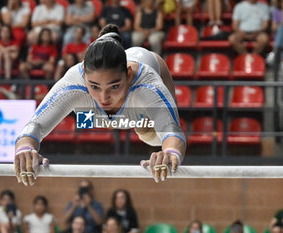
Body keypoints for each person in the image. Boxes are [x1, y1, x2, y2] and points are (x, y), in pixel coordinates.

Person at [13, 24, 186, 186]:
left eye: (114, 86)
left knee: (150, 136)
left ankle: (137, 121)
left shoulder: (148, 85)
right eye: (94, 86)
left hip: (144, 82)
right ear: (83, 75)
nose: (104, 97)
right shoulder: (73, 83)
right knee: (118, 119)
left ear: (129, 74)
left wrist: (169, 153)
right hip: (109, 113)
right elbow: (35, 126)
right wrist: (26, 149)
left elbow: (172, 130)